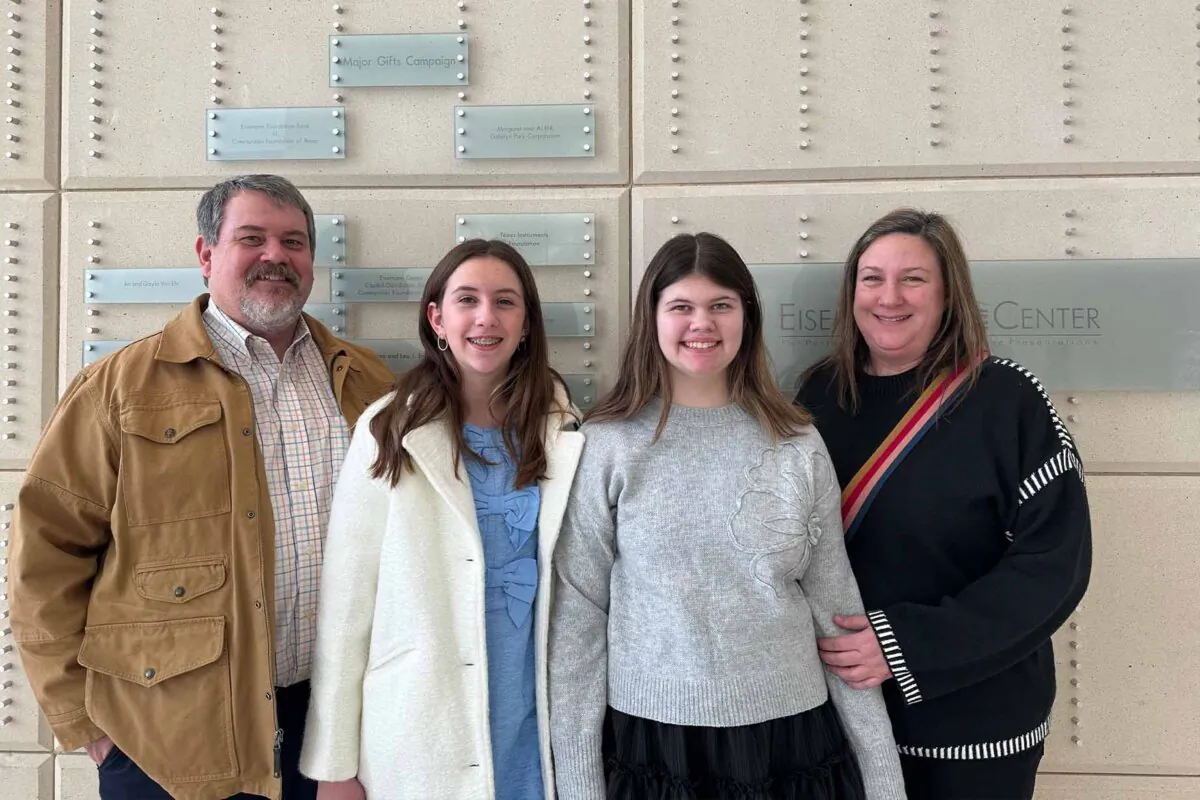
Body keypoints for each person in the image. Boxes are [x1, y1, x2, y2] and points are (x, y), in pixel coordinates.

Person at [8, 174, 395, 799]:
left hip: (336, 730)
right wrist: (84, 725)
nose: (276, 256)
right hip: (168, 736)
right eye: (252, 238)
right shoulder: (119, 387)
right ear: (206, 254)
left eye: (293, 242)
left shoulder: (363, 380)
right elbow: (45, 558)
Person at [548, 232, 906, 800]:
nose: (702, 324)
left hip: (792, 744)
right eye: (682, 307)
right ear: (653, 318)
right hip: (650, 747)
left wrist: (884, 779)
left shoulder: (797, 442)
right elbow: (577, 626)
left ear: (747, 316)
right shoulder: (606, 446)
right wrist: (579, 784)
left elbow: (837, 612)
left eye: (720, 306)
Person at [795, 208, 1092, 800]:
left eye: (913, 278)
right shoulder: (819, 393)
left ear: (949, 292)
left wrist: (905, 646)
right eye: (872, 277)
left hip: (971, 731)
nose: (889, 296)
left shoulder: (1008, 401)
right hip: (844, 721)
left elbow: (1054, 568)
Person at [298, 239, 583, 800]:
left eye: (506, 302)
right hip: (420, 731)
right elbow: (345, 608)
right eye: (467, 300)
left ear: (526, 324)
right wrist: (333, 766)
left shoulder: (565, 430)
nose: (486, 317)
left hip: (536, 725)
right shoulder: (388, 432)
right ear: (437, 318)